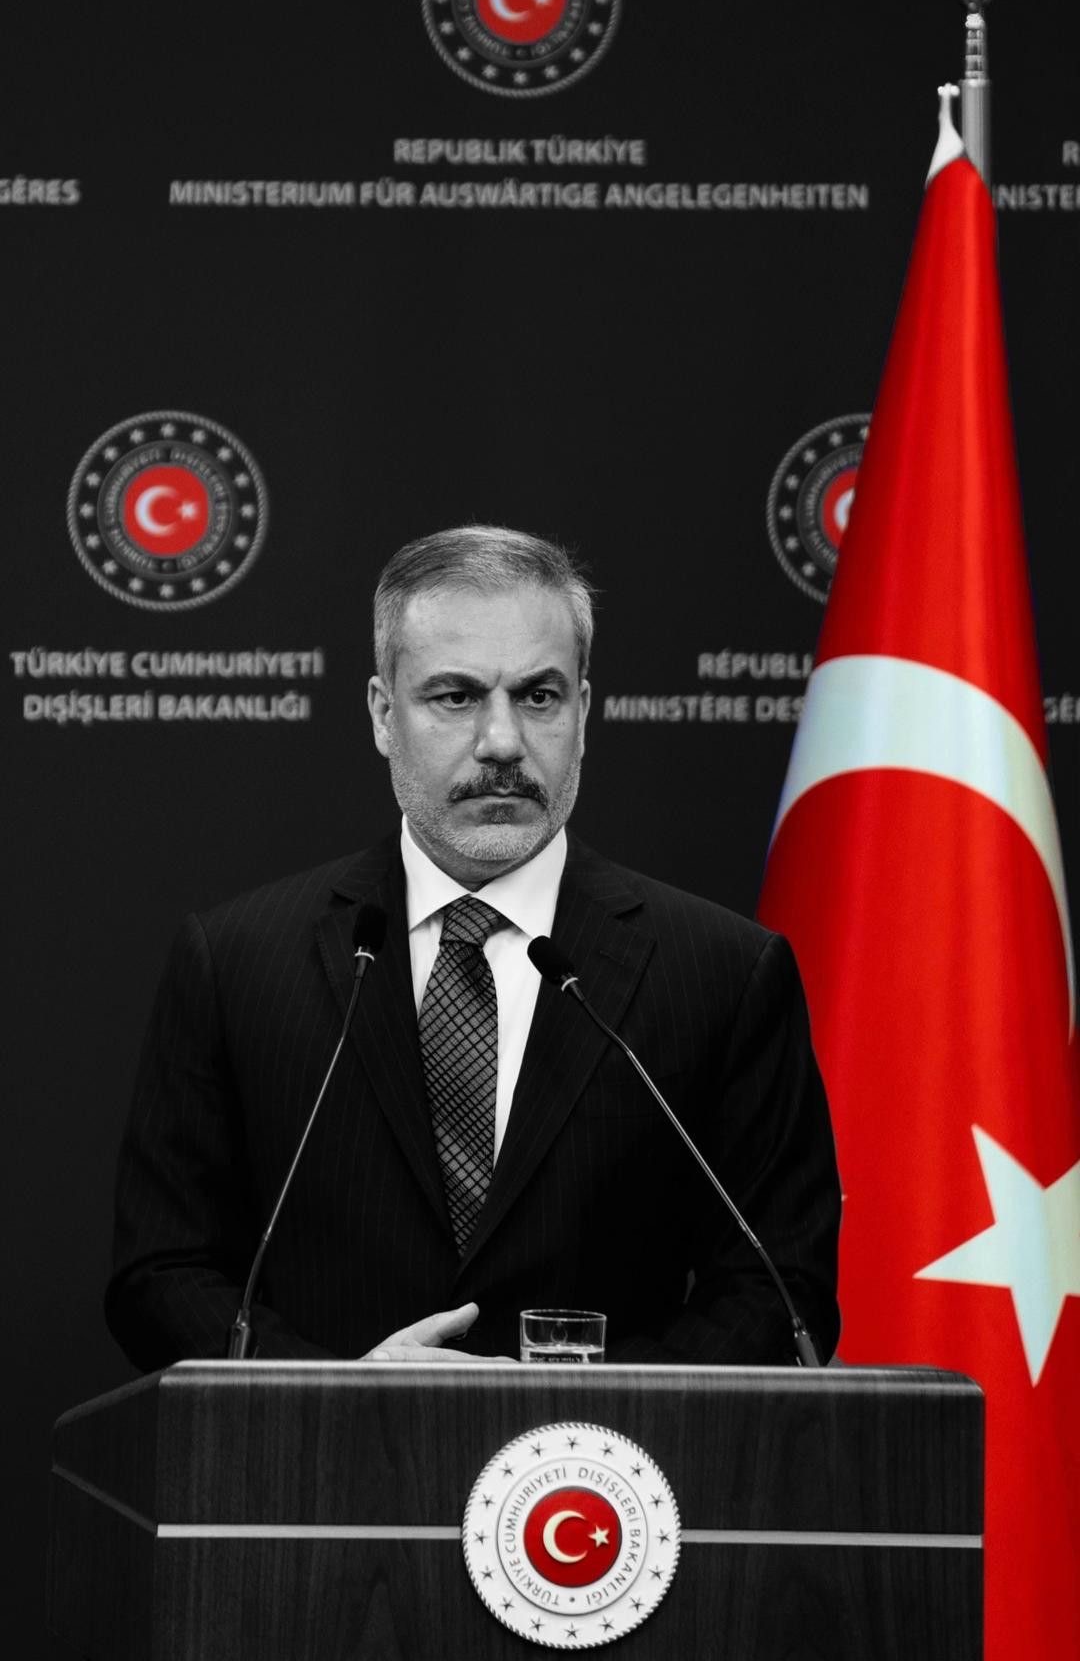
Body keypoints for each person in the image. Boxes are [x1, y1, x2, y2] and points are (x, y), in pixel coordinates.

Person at [106, 525, 841, 1368]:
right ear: (384, 716)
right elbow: (161, 1274)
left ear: (584, 712)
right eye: (455, 697)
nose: (501, 742)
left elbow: (779, 1291)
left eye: (539, 696)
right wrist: (339, 1395)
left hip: (606, 1457)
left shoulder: (721, 973)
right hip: (316, 1455)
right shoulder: (238, 963)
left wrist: (576, 1417)